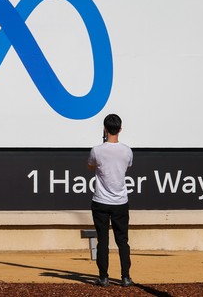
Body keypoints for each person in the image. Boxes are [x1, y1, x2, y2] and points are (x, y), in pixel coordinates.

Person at [87, 113, 134, 287]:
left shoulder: (97, 150)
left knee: (103, 240)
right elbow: (127, 166)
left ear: (105, 129)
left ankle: (103, 277)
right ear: (120, 129)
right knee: (122, 241)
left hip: (101, 201)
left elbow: (90, 165)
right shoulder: (127, 150)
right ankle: (125, 277)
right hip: (120, 202)